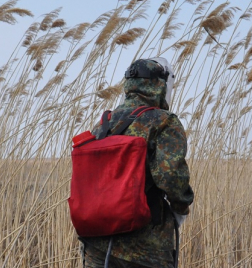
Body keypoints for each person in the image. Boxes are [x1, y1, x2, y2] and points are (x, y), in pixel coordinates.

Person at [80, 57, 195, 268]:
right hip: (145, 248)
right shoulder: (164, 121)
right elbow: (170, 177)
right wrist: (182, 208)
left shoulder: (105, 122)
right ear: (160, 85)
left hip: (96, 243)